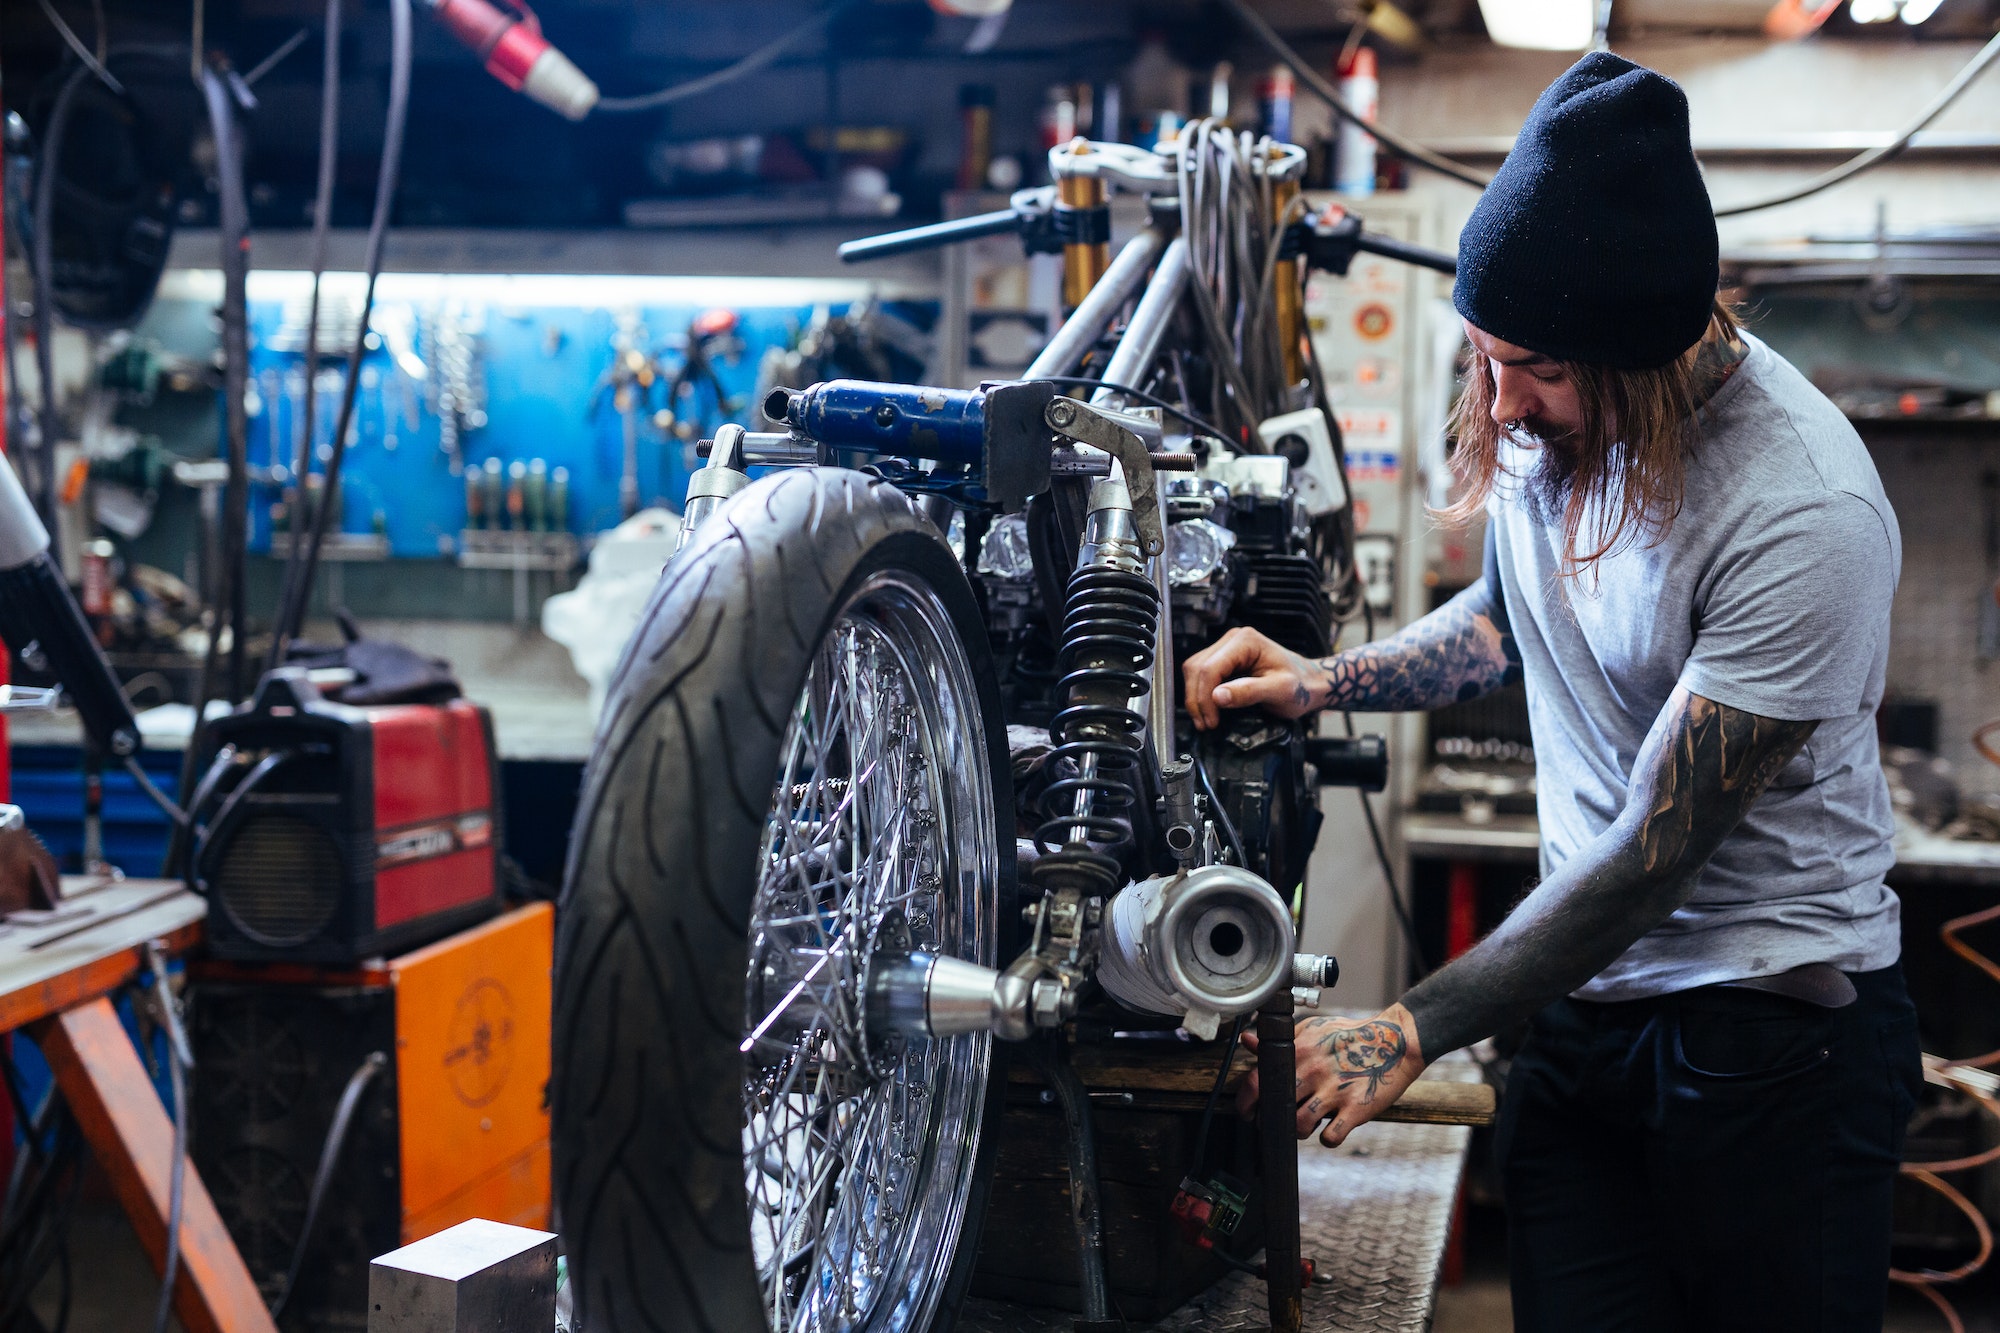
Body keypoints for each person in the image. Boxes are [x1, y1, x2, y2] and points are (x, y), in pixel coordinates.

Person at [1182, 52, 1921, 1332]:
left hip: (1769, 1044)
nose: (1501, 402)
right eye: (1483, 356)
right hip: (1583, 1006)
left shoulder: (1801, 507)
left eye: (1534, 368)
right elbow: (1511, 622)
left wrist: (1410, 1024)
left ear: (1641, 357)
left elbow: (1650, 852)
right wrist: (1321, 682)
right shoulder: (1546, 422)